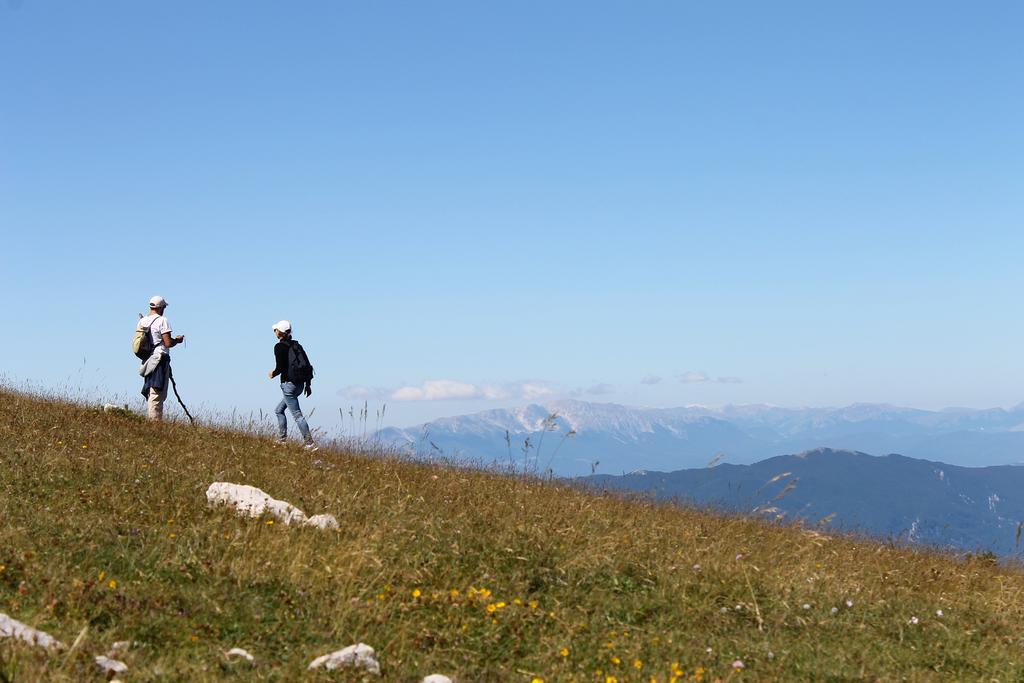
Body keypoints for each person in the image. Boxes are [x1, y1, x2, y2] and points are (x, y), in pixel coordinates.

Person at [269, 320, 317, 450]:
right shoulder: (297, 345)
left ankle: (310, 443)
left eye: (275, 330)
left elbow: (280, 367)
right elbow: (307, 365)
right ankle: (282, 440)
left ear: (280, 332)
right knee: (279, 410)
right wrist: (308, 385)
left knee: (297, 415)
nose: (274, 331)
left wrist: (273, 373)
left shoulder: (279, 347)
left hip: (288, 385)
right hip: (300, 385)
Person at [138, 295, 184, 420]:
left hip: (147, 360)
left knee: (151, 390)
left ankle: (153, 420)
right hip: (160, 358)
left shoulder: (142, 321)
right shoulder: (162, 320)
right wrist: (177, 341)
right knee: (157, 392)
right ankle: (155, 423)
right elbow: (168, 343)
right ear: (161, 307)